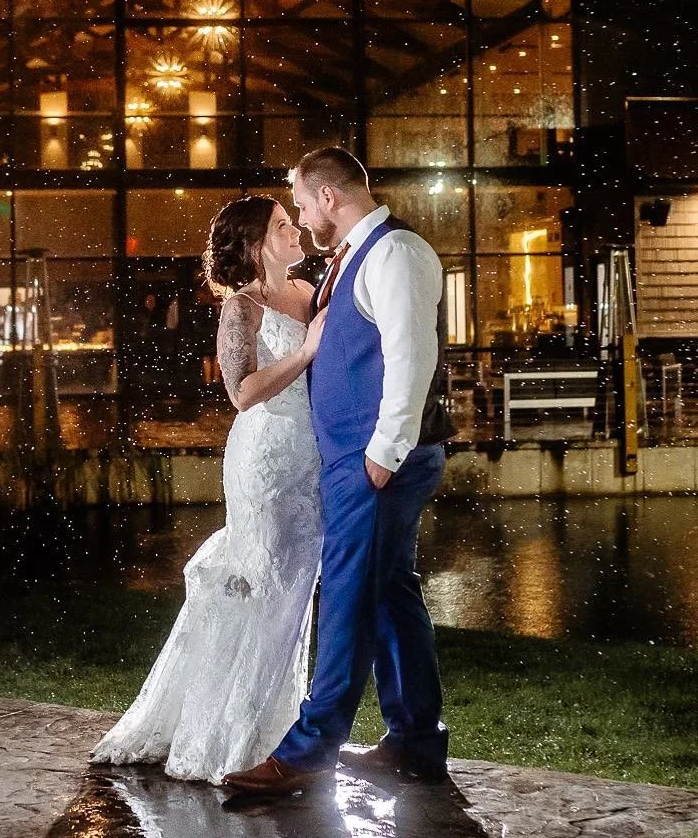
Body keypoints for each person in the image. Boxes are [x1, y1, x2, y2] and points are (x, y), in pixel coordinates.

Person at [223, 146, 456, 797]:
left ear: (329, 196)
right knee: (390, 595)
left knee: (349, 601)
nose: (299, 214)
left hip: (373, 461)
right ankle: (416, 743)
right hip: (357, 458)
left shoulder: (395, 254)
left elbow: (413, 357)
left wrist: (382, 456)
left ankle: (308, 752)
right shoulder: (352, 254)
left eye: (301, 201)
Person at [91, 196, 327, 784]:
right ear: (254, 245)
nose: (295, 230)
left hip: (312, 463)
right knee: (264, 586)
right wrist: (306, 351)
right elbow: (242, 393)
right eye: (281, 226)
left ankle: (281, 730)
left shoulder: (309, 293)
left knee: (296, 595)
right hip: (267, 464)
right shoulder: (242, 307)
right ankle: (233, 738)